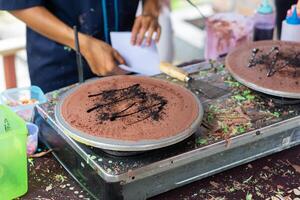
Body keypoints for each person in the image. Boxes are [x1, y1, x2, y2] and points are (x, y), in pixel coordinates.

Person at [0, 1, 161, 92]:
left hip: (129, 50)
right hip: (61, 62)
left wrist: (150, 9)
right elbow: (18, 3)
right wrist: (81, 43)